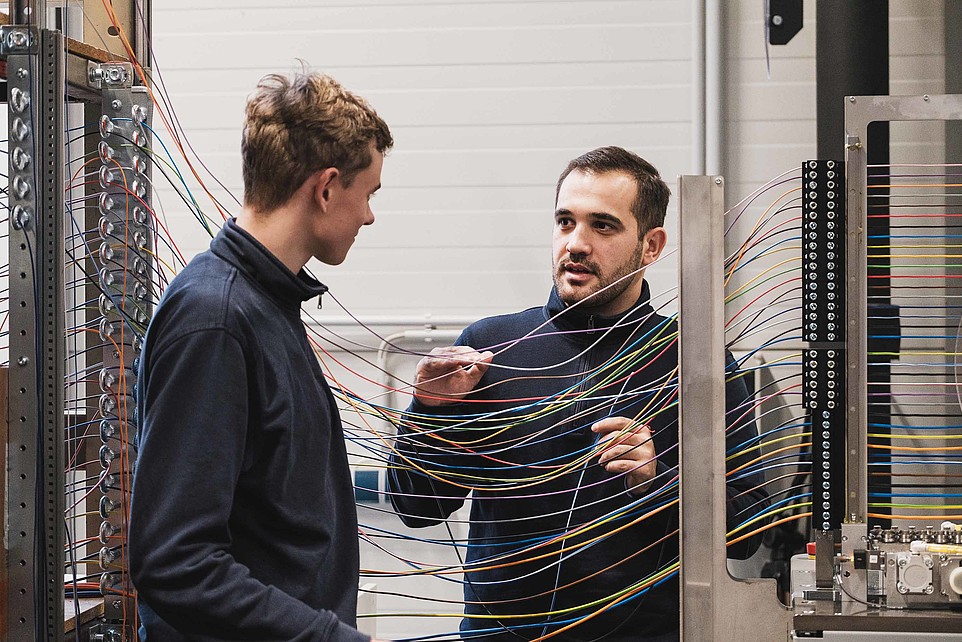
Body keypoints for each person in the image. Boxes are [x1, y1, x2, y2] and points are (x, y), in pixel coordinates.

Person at [388, 146, 767, 641]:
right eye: (565, 222)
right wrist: (429, 413)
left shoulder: (696, 363)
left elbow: (752, 529)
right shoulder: (491, 348)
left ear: (651, 246)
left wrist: (658, 482)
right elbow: (419, 509)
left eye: (602, 226)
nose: (577, 243)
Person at [129, 70, 392, 641]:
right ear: (325, 189)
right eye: (367, 194)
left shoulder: (267, 304)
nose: (369, 216)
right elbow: (175, 562)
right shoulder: (216, 320)